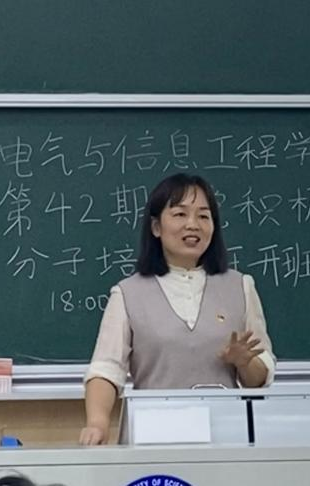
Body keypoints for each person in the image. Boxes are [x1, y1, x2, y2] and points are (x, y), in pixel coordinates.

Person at [79, 173, 276, 445]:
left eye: (203, 216)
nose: (193, 225)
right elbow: (106, 370)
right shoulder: (127, 293)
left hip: (225, 440)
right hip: (152, 438)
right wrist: (97, 423)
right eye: (180, 214)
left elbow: (260, 378)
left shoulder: (241, 286)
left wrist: (245, 362)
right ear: (156, 227)